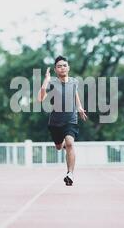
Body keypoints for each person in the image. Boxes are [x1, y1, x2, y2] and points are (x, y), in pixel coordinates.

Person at [37, 56, 88, 186]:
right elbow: (40, 98)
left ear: (68, 68)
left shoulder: (74, 81)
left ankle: (70, 174)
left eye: (64, 65)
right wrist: (46, 80)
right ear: (55, 69)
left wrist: (80, 107)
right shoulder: (52, 83)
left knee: (70, 143)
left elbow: (75, 93)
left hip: (71, 119)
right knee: (59, 147)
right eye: (59, 66)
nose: (62, 68)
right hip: (55, 122)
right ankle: (62, 144)